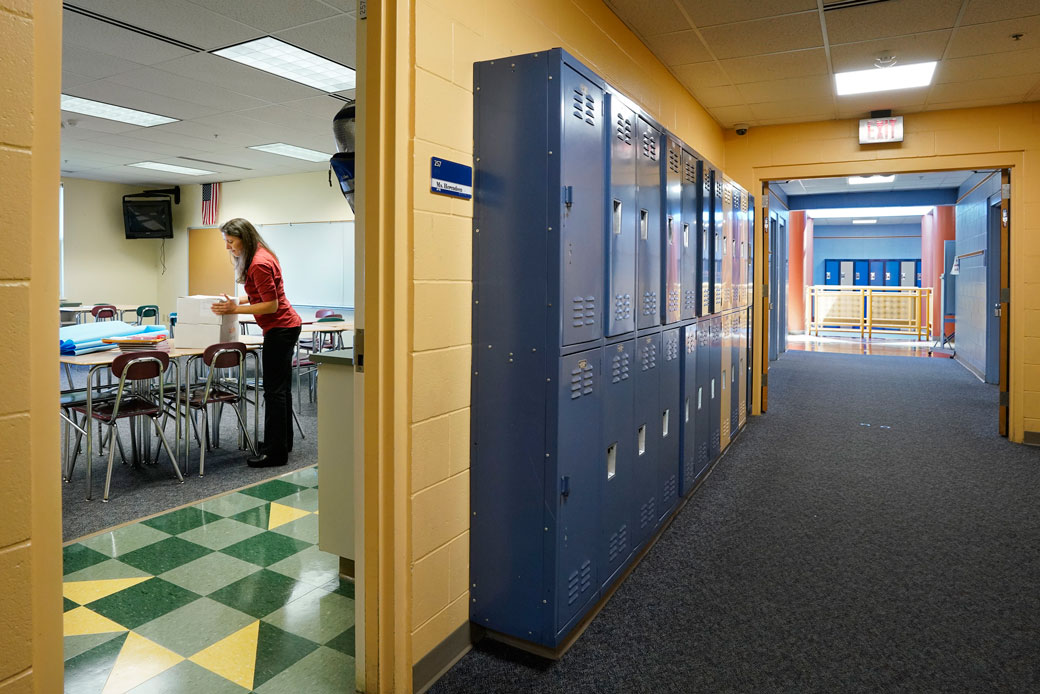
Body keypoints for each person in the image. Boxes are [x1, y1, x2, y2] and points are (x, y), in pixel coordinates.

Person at [211, 218, 301, 467]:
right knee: (281, 390)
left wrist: (234, 308)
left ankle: (275, 453)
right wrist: (236, 301)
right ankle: (281, 442)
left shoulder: (259, 263)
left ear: (244, 238)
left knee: (274, 391)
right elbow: (259, 296)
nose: (229, 248)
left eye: (231, 242)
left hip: (280, 328)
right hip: (285, 326)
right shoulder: (261, 255)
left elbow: (270, 305)